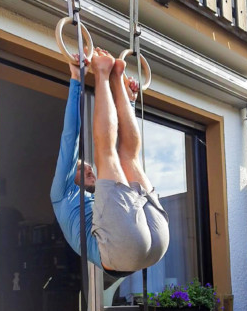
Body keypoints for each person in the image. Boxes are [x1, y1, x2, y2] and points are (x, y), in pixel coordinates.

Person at [50, 47, 169, 276]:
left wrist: (127, 101)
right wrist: (77, 80)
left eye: (87, 165)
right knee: (107, 154)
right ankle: (104, 73)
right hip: (123, 250)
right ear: (67, 175)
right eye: (79, 166)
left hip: (152, 242)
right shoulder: (62, 194)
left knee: (128, 158)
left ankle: (117, 81)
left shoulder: (99, 200)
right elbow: (70, 138)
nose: (87, 166)